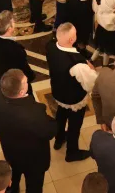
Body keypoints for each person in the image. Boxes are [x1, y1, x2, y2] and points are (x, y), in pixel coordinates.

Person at [0, 69, 56, 193]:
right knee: (34, 187)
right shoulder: (34, 113)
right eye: (26, 82)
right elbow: (49, 131)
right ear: (21, 92)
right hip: (33, 159)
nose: (28, 82)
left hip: (11, 151)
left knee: (13, 179)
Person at [46, 23, 92, 161]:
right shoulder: (77, 64)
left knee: (61, 114)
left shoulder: (50, 46)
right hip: (74, 98)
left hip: (58, 91)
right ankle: (72, 152)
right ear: (72, 39)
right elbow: (90, 83)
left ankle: (59, 139)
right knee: (75, 125)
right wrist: (90, 68)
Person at [0, 12, 35, 90]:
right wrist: (31, 76)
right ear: (10, 29)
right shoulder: (16, 49)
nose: (14, 23)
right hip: (15, 84)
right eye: (13, 22)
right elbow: (23, 68)